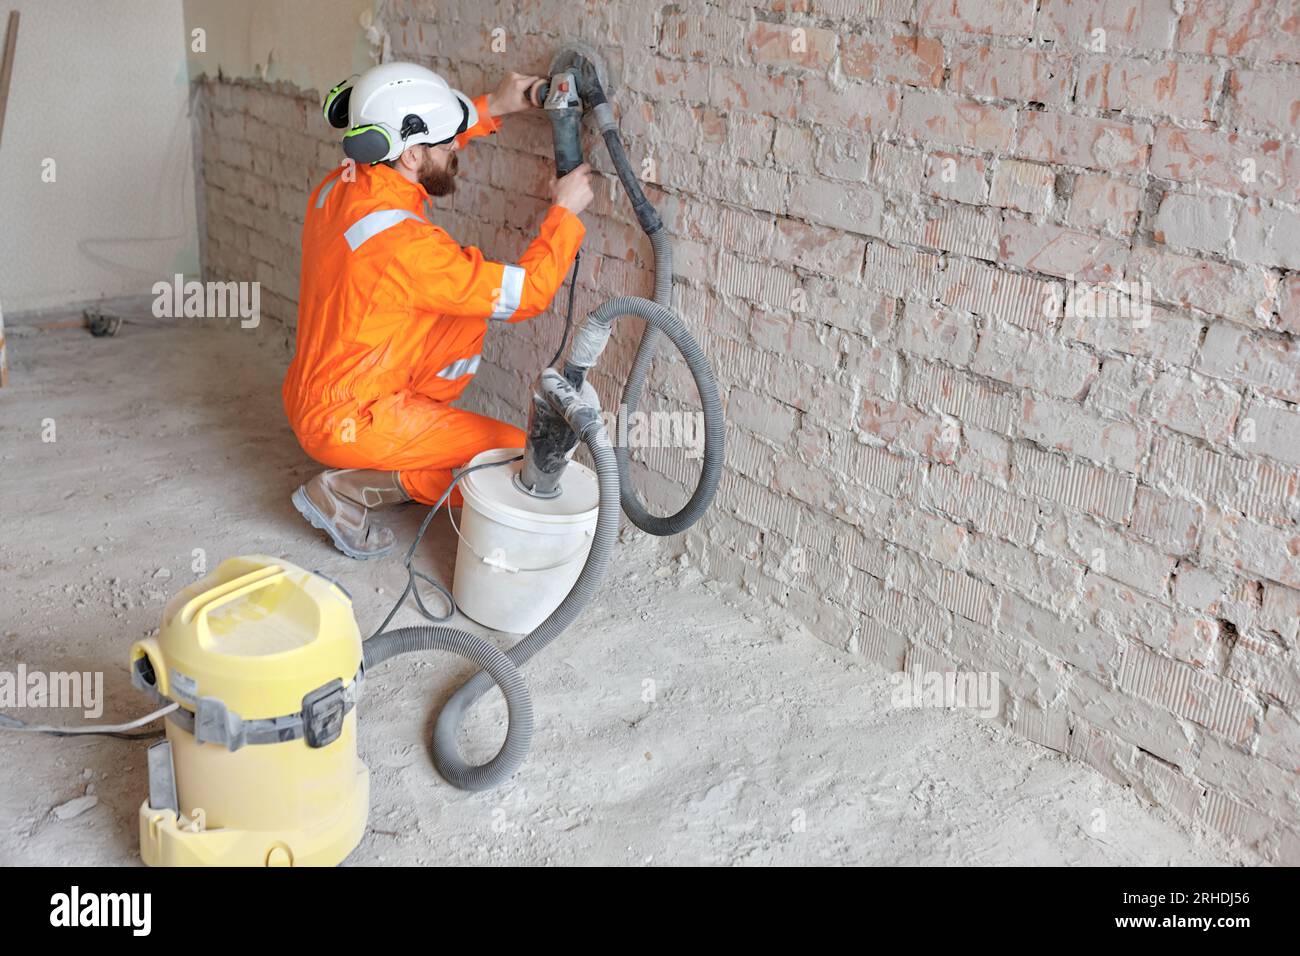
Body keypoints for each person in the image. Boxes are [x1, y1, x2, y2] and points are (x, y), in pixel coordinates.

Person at [283, 62, 594, 558]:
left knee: (464, 311)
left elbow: (424, 148)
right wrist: (563, 215)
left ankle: (413, 437)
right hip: (355, 417)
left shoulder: (340, 185)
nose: (456, 148)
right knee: (515, 457)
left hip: (325, 389)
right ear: (409, 153)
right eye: (450, 142)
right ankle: (351, 488)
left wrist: (494, 106)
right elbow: (526, 294)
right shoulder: (410, 248)